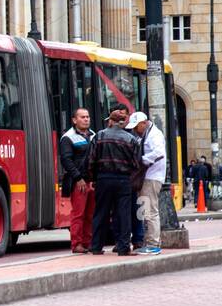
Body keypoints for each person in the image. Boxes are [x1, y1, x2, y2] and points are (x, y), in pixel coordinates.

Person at [87, 109, 143, 257]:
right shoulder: (131, 139)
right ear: (123, 123)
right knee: (123, 214)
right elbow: (137, 163)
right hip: (123, 180)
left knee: (101, 212)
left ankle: (96, 246)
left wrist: (93, 178)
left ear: (110, 121)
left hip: (103, 178)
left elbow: (91, 160)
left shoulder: (99, 136)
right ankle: (124, 247)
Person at [58, 108, 97, 254]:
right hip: (78, 182)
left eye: (87, 117)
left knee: (91, 214)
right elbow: (66, 161)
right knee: (78, 214)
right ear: (74, 120)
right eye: (82, 117)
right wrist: (78, 178)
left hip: (92, 181)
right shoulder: (68, 138)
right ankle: (77, 244)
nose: (86, 119)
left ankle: (89, 242)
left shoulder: (94, 135)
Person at [128, 111, 166, 255]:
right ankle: (150, 242)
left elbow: (158, 152)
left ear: (143, 123)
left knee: (150, 211)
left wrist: (142, 160)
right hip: (149, 177)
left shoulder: (154, 135)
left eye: (136, 126)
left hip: (151, 177)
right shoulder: (147, 134)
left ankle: (153, 244)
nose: (135, 130)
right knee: (145, 211)